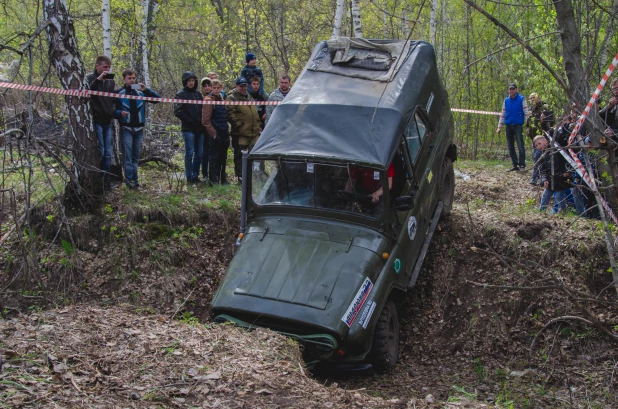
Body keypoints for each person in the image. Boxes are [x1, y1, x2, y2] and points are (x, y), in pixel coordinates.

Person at [114, 69, 161, 189]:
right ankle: (129, 181)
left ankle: (135, 181)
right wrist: (119, 113)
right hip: (126, 128)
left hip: (139, 129)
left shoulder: (140, 93)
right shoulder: (118, 93)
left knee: (135, 157)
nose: (132, 80)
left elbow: (157, 99)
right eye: (129, 78)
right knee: (127, 156)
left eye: (133, 78)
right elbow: (110, 109)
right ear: (123, 79)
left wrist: (146, 89)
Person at [86, 55, 117, 189]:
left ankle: (106, 181)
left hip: (107, 120)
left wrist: (114, 111)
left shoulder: (110, 81)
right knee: (101, 151)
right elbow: (89, 92)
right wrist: (98, 80)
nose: (107, 70)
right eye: (105, 67)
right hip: (96, 119)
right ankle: (96, 180)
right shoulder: (90, 78)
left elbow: (114, 99)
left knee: (108, 153)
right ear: (97, 66)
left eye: (109, 67)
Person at [226, 77, 261, 183]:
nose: (243, 88)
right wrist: (238, 125)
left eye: (245, 86)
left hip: (253, 132)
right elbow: (230, 113)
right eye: (241, 86)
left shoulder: (249, 97)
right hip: (241, 133)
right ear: (237, 86)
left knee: (254, 154)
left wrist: (257, 123)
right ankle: (241, 176)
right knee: (240, 155)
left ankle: (254, 175)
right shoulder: (232, 98)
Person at [174, 71, 204, 184]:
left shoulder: (198, 95)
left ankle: (196, 176)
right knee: (190, 152)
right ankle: (189, 176)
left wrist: (201, 122)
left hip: (199, 128)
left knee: (199, 153)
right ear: (185, 82)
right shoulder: (180, 94)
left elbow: (203, 110)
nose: (191, 83)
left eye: (192, 81)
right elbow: (178, 111)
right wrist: (190, 121)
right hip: (188, 128)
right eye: (189, 81)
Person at [535, 127, 570, 213]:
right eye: (536, 145)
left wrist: (566, 172)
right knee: (545, 196)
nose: (538, 146)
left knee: (558, 197)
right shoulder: (543, 155)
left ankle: (563, 213)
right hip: (550, 180)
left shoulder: (557, 149)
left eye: (539, 143)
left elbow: (567, 160)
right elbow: (542, 169)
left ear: (546, 141)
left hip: (561, 179)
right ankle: (541, 212)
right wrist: (544, 179)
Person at [496, 83, 530, 172]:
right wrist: (499, 126)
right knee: (510, 146)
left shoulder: (522, 99)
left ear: (516, 89)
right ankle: (515, 164)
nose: (511, 91)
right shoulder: (506, 101)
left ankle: (522, 165)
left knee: (520, 146)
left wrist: (528, 126)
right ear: (508, 90)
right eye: (510, 89)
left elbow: (526, 113)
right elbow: (503, 114)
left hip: (518, 125)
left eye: (513, 89)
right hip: (508, 125)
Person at [202, 79, 230, 184]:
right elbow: (205, 120)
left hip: (224, 131)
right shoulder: (208, 100)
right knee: (214, 157)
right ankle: (213, 180)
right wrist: (213, 134)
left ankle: (222, 178)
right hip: (214, 133)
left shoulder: (222, 100)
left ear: (221, 88)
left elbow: (225, 116)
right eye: (214, 88)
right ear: (211, 88)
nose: (216, 90)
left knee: (223, 157)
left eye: (218, 88)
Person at [527, 93, 554, 185]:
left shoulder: (545, 106)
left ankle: (537, 179)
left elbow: (552, 121)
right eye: (530, 98)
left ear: (538, 98)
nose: (532, 100)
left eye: (533, 98)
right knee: (536, 159)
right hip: (534, 138)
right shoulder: (530, 109)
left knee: (540, 159)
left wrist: (544, 121)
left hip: (543, 139)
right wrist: (527, 129)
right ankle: (537, 178)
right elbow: (528, 121)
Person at [200, 77, 213, 182]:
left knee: (212, 152)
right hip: (206, 129)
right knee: (205, 152)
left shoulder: (217, 97)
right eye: (205, 86)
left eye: (209, 85)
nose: (207, 88)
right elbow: (205, 119)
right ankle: (205, 173)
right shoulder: (203, 98)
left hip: (214, 127)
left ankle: (212, 173)